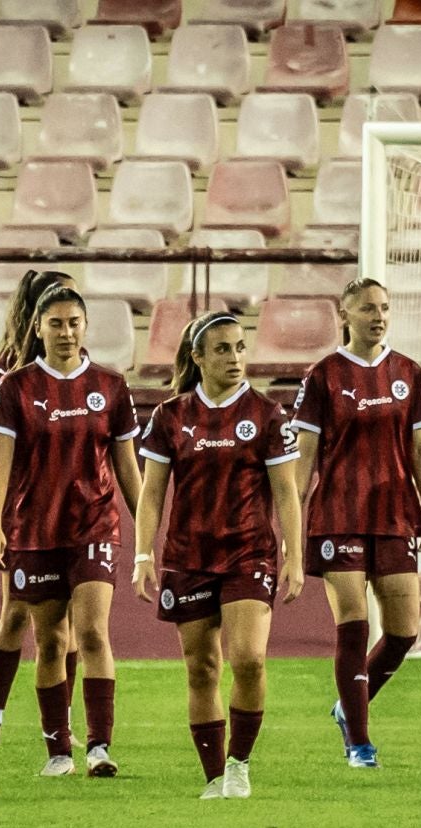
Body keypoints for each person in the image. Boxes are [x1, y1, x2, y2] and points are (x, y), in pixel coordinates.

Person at [133, 313, 304, 799]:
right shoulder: (170, 416)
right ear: (198, 358)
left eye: (240, 347)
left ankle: (239, 764)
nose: (234, 358)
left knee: (248, 659)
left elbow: (287, 493)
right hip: (187, 556)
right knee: (202, 667)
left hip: (249, 552)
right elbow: (151, 494)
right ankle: (212, 777)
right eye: (223, 349)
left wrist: (293, 553)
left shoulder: (268, 415)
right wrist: (143, 555)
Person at [0, 287, 143, 777]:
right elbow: (0, 464)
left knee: (92, 631)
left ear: (86, 326)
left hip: (94, 525)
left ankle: (99, 747)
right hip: (34, 529)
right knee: (50, 641)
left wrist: (152, 531)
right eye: (56, 323)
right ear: (38, 328)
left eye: (75, 322)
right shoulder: (15, 387)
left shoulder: (111, 386)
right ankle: (58, 753)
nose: (67, 332)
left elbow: (127, 467)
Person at [289, 278, 421, 769]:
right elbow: (305, 457)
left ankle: (346, 707)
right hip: (338, 517)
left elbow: (420, 449)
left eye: (385, 308)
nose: (378, 316)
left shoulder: (408, 373)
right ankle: (359, 742)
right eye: (367, 309)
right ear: (345, 315)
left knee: (403, 633)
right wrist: (292, 525)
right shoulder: (323, 376)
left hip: (396, 514)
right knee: (353, 626)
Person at [0, 270, 82, 747]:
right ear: (38, 316)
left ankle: (64, 724)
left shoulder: (82, 365)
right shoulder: (12, 369)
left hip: (78, 510)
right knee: (15, 615)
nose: (67, 328)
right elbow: (1, 445)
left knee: (72, 626)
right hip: (28, 509)